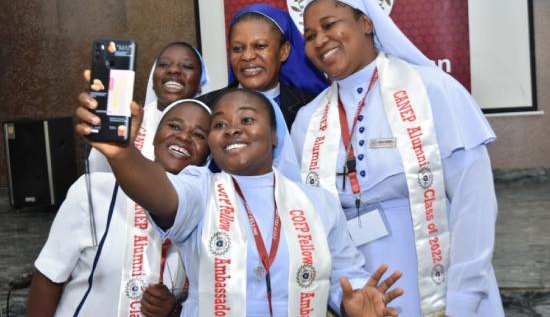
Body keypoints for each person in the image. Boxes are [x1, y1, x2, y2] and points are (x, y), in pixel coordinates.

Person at [75, 87, 404, 316]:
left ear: (274, 135)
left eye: (246, 120)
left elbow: (343, 276)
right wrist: (122, 155)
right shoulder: (200, 188)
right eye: (219, 124)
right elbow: (160, 193)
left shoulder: (318, 202)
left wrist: (353, 303)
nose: (232, 130)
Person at [290, 0, 505, 317]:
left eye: (329, 25)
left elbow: (473, 202)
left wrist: (463, 298)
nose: (320, 40)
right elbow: (311, 224)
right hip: (361, 293)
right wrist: (343, 300)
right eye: (310, 35)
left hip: (442, 282)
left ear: (366, 23)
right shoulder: (307, 119)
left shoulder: (432, 90)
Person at [27, 99, 212, 317]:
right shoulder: (94, 191)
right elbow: (49, 278)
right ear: (153, 137)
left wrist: (173, 309)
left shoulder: (210, 214)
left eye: (199, 135)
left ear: (208, 156)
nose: (183, 136)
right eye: (174, 126)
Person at [199, 4, 327, 129]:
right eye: (237, 48)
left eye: (260, 46)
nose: (247, 56)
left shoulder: (315, 108)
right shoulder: (204, 108)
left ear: (284, 51)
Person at [88, 41, 208, 172]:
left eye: (187, 66)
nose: (173, 70)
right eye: (164, 64)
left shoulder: (211, 132)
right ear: (153, 80)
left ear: (200, 85)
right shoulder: (127, 122)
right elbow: (98, 172)